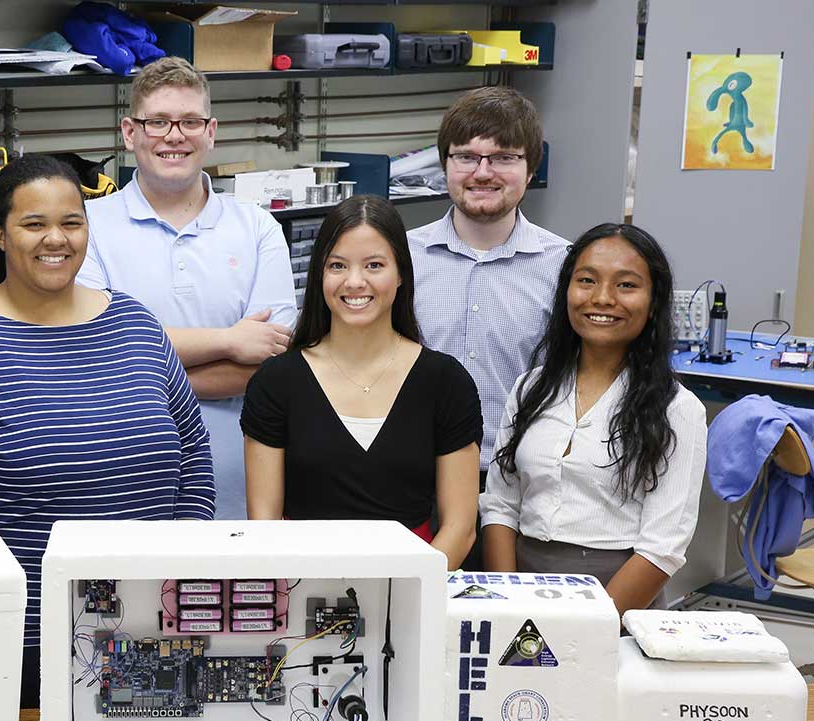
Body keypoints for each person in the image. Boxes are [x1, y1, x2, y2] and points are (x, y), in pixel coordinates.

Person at [0, 155, 215, 708]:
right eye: (33, 223)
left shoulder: (136, 325)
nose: (56, 239)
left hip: (154, 636)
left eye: (71, 222)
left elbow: (193, 461)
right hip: (18, 648)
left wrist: (175, 587)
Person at [78, 56, 297, 521]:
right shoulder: (87, 227)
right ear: (129, 132)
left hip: (239, 489)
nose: (174, 136)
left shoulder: (257, 227)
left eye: (190, 121)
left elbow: (272, 367)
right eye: (157, 121)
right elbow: (94, 354)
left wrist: (139, 381)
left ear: (211, 131)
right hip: (119, 483)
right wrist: (229, 341)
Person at [241, 196, 482, 569]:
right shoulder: (276, 383)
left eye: (374, 265)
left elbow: (460, 528)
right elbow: (264, 525)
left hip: (413, 590)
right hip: (303, 589)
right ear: (320, 273)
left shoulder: (446, 382)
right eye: (337, 265)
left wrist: (405, 591)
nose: (355, 282)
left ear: (401, 273)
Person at [480, 223, 707, 614]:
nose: (602, 298)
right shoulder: (529, 388)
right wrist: (508, 603)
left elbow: (662, 548)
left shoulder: (677, 409)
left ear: (653, 302)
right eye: (586, 280)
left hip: (617, 599)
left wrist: (588, 627)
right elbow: (501, 505)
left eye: (626, 285)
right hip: (521, 584)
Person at [408, 87, 569, 567]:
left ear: (530, 168)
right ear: (445, 164)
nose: (482, 172)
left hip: (525, 491)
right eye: (466, 157)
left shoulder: (563, 267)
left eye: (503, 158)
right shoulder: (400, 259)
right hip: (417, 486)